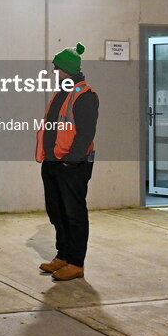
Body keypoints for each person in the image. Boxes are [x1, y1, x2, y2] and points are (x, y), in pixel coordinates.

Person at [35, 43, 99, 281]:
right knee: (57, 212)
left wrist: (70, 162)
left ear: (66, 69)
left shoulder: (85, 96)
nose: (54, 71)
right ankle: (62, 255)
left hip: (72, 166)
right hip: (53, 162)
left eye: (57, 68)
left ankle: (75, 262)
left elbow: (85, 134)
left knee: (74, 213)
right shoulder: (63, 92)